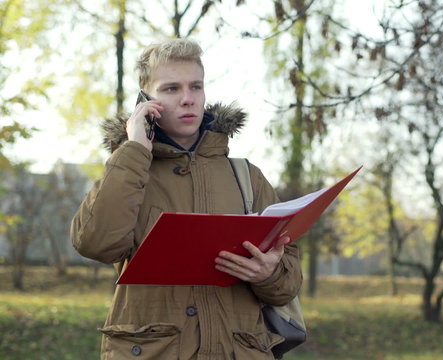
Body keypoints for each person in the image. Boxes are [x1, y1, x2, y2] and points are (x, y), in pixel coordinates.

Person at [70, 38, 302, 360]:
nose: (188, 99)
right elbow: (93, 243)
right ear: (145, 99)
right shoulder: (129, 173)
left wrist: (269, 274)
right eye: (171, 89)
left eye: (196, 87)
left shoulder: (248, 177)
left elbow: (287, 286)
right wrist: (135, 149)